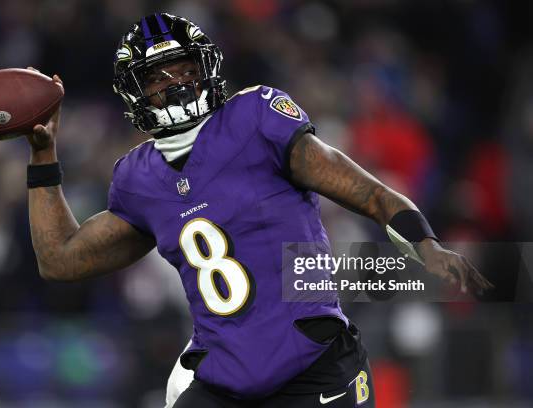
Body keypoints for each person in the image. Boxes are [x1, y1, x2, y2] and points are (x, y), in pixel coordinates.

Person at [25, 13, 493, 408]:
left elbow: (370, 194)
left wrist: (426, 246)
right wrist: (43, 155)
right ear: (134, 92)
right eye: (156, 78)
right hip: (225, 379)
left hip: (313, 366)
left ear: (206, 67)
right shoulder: (138, 177)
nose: (176, 84)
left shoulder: (256, 118)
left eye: (184, 68)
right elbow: (60, 259)